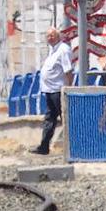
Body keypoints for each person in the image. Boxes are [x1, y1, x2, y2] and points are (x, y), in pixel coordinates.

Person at [31, 27, 73, 155]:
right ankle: (44, 147)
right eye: (48, 36)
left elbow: (68, 71)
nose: (50, 38)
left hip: (58, 90)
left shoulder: (63, 50)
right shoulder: (52, 50)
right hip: (49, 90)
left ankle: (74, 148)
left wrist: (68, 88)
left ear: (58, 36)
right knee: (49, 119)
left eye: (52, 35)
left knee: (66, 119)